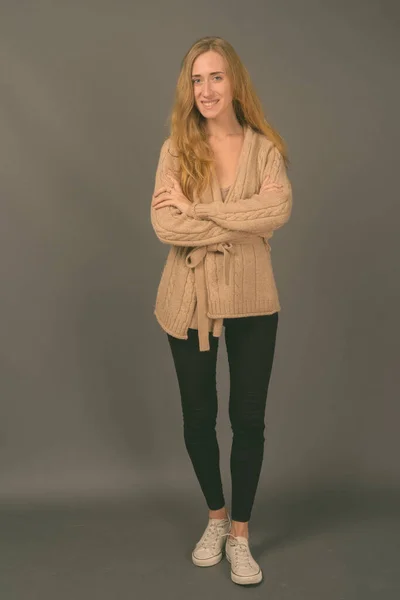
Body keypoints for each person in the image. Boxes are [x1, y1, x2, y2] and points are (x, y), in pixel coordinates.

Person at [150, 36, 292, 586]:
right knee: (197, 419)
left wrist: (201, 210)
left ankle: (240, 534)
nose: (206, 89)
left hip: (253, 296)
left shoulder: (264, 148)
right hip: (189, 299)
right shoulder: (175, 149)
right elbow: (166, 225)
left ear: (235, 82)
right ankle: (214, 515)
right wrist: (239, 218)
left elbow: (276, 208)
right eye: (196, 79)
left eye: (215, 77)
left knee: (248, 421)